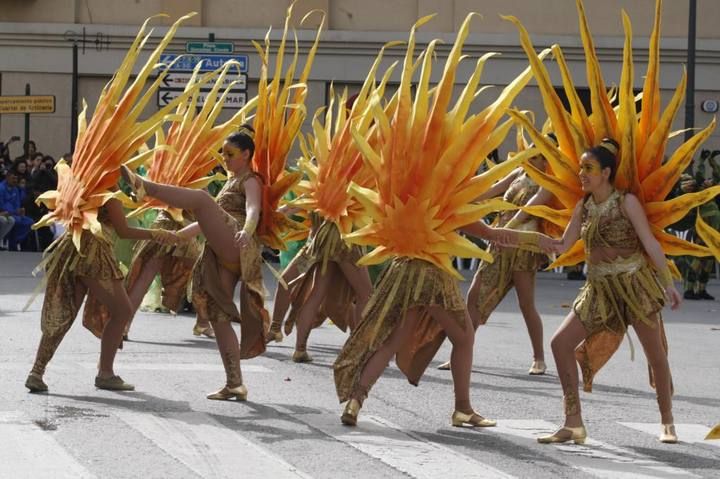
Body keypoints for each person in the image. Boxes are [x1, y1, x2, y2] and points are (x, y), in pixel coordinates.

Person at [511, 139, 682, 445]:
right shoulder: (584, 206)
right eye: (580, 168)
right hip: (598, 288)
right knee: (560, 344)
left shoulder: (626, 202)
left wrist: (668, 283)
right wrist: (520, 239)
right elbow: (563, 245)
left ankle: (667, 421)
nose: (582, 173)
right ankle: (573, 422)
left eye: (588, 168)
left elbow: (649, 243)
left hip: (634, 285)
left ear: (605, 172)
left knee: (656, 354)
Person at [121, 127, 269, 401]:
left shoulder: (250, 180)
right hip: (220, 248)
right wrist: (178, 235)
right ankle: (235, 383)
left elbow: (253, 209)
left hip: (238, 240)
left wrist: (247, 230)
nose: (225, 158)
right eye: (223, 153)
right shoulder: (229, 181)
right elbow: (206, 223)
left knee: (201, 198)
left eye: (231, 153)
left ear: (247, 154)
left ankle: (145, 186)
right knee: (218, 316)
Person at [438, 142, 553, 375]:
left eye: (537, 153)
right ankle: (461, 354)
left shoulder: (548, 182)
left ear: (546, 159)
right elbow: (492, 190)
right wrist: (462, 199)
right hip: (500, 241)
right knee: (475, 294)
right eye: (529, 149)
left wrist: (504, 232)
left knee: (526, 303)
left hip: (522, 245)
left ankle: (539, 358)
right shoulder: (519, 172)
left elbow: (528, 210)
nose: (530, 155)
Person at [0, 170, 33, 251]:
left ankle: (17, 241)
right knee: (11, 220)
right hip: (5, 213)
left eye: (16, 179)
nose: (15, 181)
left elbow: (18, 203)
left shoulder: (15, 189)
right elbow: (2, 204)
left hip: (14, 213)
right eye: (13, 178)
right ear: (7, 177)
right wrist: (14, 212)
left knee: (30, 222)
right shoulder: (1, 188)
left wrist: (20, 210)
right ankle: (10, 242)